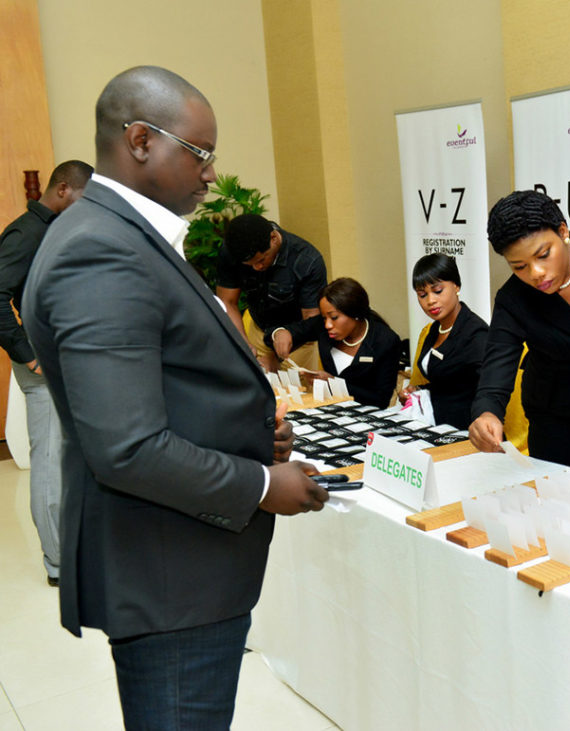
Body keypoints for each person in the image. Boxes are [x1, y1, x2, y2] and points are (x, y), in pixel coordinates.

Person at [21, 66, 329, 729]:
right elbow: (128, 447)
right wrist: (260, 483)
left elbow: (165, 384)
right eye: (200, 153)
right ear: (140, 140)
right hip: (169, 576)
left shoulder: (121, 237)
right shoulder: (100, 252)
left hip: (177, 563)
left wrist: (250, 431)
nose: (211, 174)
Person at [469, 190, 570, 469]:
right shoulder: (514, 299)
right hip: (558, 420)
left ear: (563, 231)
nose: (536, 273)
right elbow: (496, 367)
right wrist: (487, 413)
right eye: (519, 266)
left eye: (543, 255)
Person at [0, 159, 92, 586]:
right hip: (43, 364)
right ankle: (58, 564)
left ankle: (72, 549)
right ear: (63, 189)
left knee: (69, 460)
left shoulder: (52, 229)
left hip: (64, 358)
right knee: (51, 462)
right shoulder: (26, 233)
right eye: (82, 197)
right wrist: (28, 355)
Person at [217, 213, 327, 372]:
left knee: (296, 387)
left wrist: (275, 358)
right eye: (249, 265)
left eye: (261, 260)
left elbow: (311, 322)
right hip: (258, 330)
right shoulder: (232, 251)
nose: (257, 268)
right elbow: (227, 302)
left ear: (274, 238)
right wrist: (243, 343)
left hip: (296, 341)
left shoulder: (307, 261)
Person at [279, 277, 401, 409]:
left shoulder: (385, 341)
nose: (327, 325)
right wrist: (280, 333)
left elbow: (381, 400)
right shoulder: (323, 327)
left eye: (334, 317)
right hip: (332, 409)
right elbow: (291, 330)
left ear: (355, 313)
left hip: (367, 413)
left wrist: (333, 383)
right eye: (324, 318)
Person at [399, 254, 488, 429]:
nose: (430, 301)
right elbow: (448, 381)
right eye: (422, 294)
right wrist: (419, 390)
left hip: (467, 430)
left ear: (456, 285)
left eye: (438, 291)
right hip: (435, 425)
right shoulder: (434, 330)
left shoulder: (476, 333)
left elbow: (487, 391)